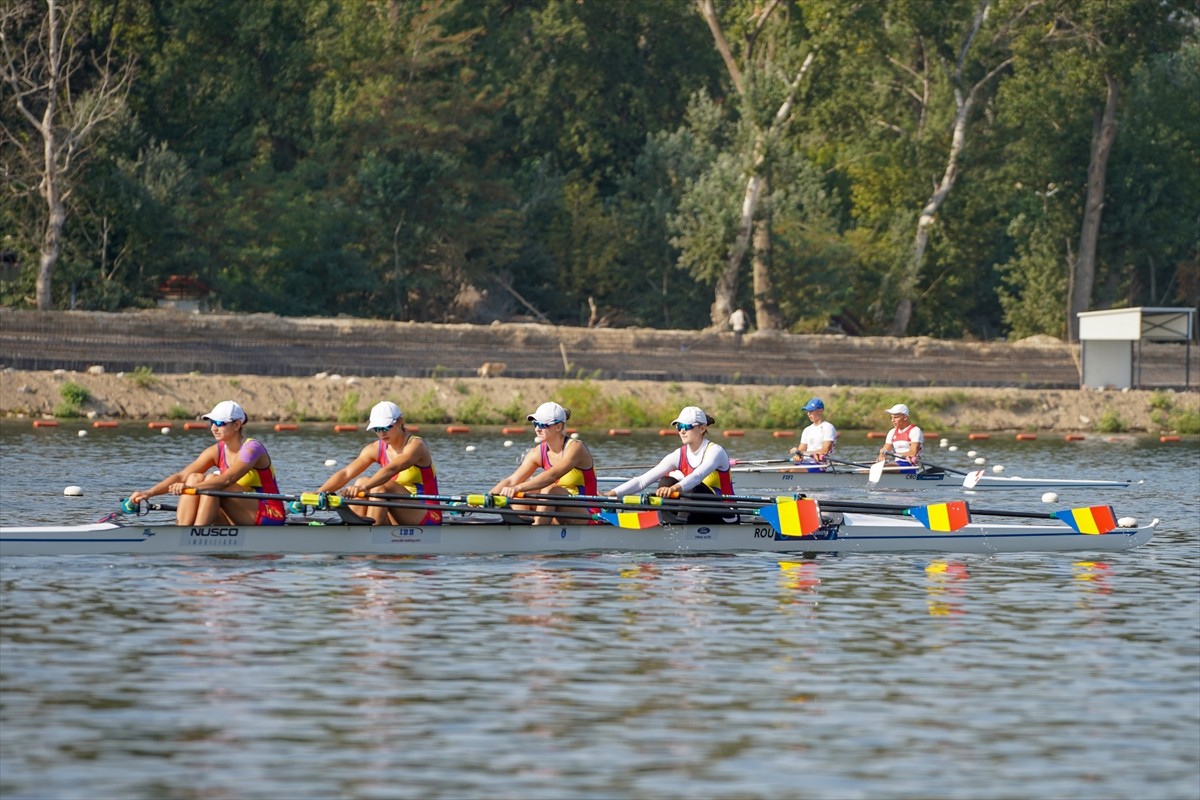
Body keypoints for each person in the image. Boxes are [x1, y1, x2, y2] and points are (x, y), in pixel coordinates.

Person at [126, 400, 286, 526]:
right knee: (194, 477)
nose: (214, 428)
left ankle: (195, 535)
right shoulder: (216, 451)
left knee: (211, 480)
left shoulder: (252, 448)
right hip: (239, 513)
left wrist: (190, 489)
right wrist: (149, 493)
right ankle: (184, 531)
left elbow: (226, 480)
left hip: (270, 514)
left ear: (237, 425)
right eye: (212, 423)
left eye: (220, 423)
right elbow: (182, 476)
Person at [315, 401, 441, 526]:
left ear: (400, 422)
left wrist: (363, 488)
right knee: (360, 480)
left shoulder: (416, 446)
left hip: (428, 515)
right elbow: (346, 473)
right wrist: (318, 493)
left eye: (385, 428)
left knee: (379, 487)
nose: (381, 433)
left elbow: (391, 469)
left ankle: (369, 536)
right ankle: (354, 531)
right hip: (392, 513)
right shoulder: (375, 449)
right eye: (377, 429)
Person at [606, 406, 735, 524]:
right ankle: (666, 522)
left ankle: (678, 525)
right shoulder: (679, 454)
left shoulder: (715, 451)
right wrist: (612, 494)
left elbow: (697, 476)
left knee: (689, 487)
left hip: (726, 514)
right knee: (666, 480)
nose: (682, 431)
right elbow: (642, 481)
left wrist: (674, 489)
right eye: (679, 427)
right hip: (699, 510)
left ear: (702, 428)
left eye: (687, 426)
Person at [489, 402, 598, 525]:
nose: (537, 429)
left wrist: (517, 488)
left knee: (549, 490)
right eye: (535, 424)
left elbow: (552, 476)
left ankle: (536, 533)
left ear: (558, 427)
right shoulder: (538, 452)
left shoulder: (576, 448)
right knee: (520, 494)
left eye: (542, 425)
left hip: (589, 513)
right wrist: (485, 498)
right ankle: (520, 529)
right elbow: (512, 480)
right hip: (555, 510)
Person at [789, 397, 837, 465]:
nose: (808, 413)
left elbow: (825, 450)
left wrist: (800, 452)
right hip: (805, 463)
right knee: (782, 471)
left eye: (811, 411)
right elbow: (801, 450)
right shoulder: (807, 430)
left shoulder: (828, 427)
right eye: (808, 411)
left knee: (790, 472)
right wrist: (797, 455)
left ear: (821, 411)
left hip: (820, 465)